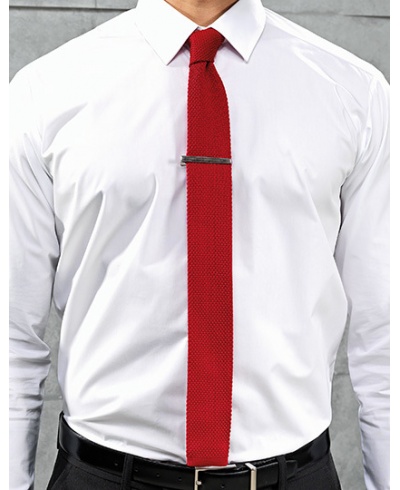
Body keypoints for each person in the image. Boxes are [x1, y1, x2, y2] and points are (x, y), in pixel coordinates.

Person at [9, 0, 389, 489]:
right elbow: (11, 334)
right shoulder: (45, 92)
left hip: (295, 476)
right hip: (102, 475)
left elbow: (385, 333)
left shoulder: (354, 93)